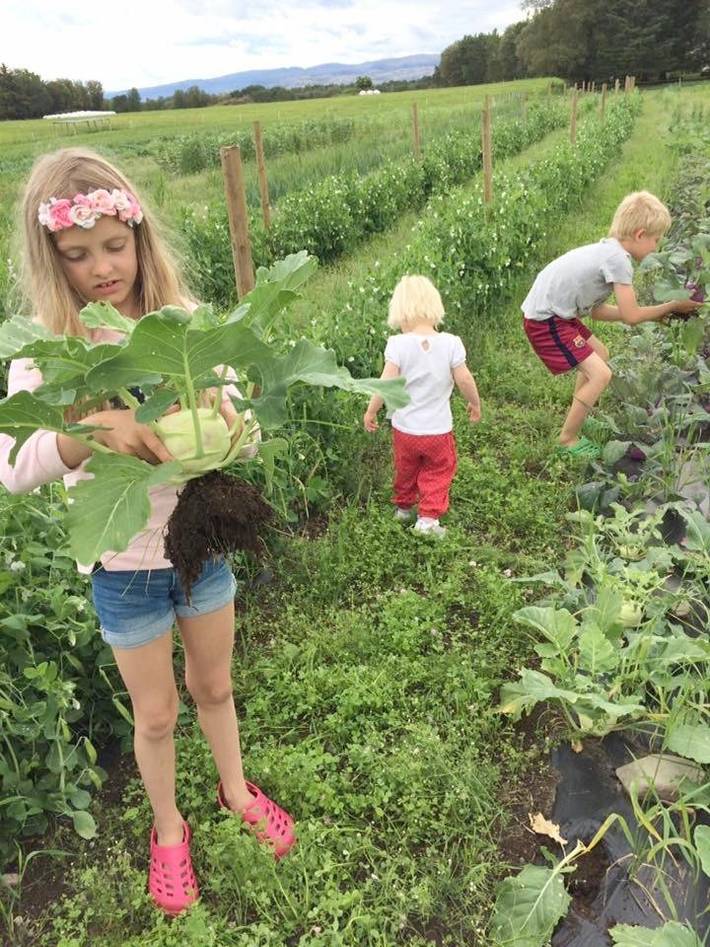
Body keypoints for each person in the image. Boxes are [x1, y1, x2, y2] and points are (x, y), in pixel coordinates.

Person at [0, 148, 295, 915]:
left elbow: (243, 430)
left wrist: (232, 427)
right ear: (51, 258)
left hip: (198, 541)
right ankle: (169, 824)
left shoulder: (184, 327)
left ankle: (235, 787)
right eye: (78, 254)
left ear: (139, 238)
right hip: (123, 565)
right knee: (157, 713)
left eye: (115, 245)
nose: (102, 267)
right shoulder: (52, 355)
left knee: (216, 684)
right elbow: (14, 462)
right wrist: (92, 430)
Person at [521, 190, 702, 458]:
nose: (657, 247)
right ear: (640, 235)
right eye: (656, 239)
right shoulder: (619, 261)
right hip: (547, 319)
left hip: (558, 313)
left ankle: (579, 413)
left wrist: (654, 313)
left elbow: (598, 312)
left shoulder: (609, 250)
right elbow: (631, 315)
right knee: (601, 374)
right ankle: (567, 439)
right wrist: (672, 306)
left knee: (600, 355)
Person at [363, 274, 481, 536]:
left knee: (406, 467)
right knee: (438, 470)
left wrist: (372, 410)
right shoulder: (451, 343)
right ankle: (427, 520)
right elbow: (464, 378)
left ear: (401, 313)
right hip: (437, 430)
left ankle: (403, 509)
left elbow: (386, 382)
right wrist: (474, 403)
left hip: (405, 429)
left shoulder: (398, 345)